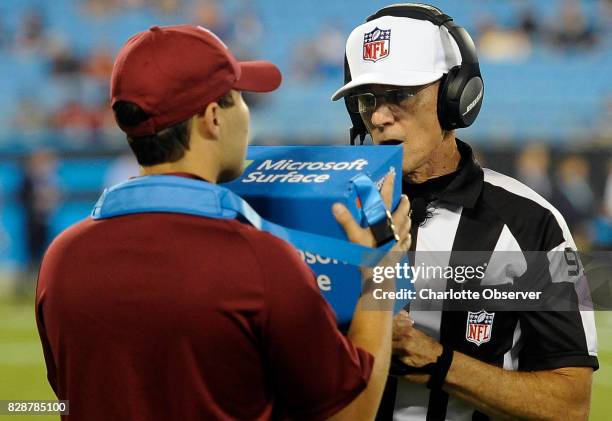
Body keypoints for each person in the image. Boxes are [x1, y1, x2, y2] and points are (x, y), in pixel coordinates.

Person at [35, 25, 411, 420]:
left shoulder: (60, 257)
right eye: (241, 98)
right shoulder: (259, 260)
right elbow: (353, 413)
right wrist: (380, 274)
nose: (248, 115)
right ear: (213, 117)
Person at [331, 4, 598, 420]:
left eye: (400, 94)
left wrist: (435, 360)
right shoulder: (327, 211)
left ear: (458, 96)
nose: (379, 117)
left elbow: (570, 404)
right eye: (367, 98)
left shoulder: (533, 223)